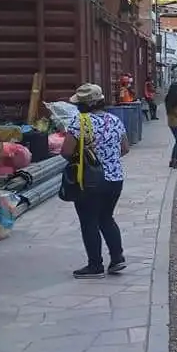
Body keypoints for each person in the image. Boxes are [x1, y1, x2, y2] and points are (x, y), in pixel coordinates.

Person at [61, 83, 129, 279]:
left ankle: (95, 265)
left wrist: (85, 159)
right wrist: (108, 159)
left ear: (86, 104)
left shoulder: (79, 122)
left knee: (89, 221)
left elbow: (65, 151)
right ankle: (117, 258)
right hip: (115, 179)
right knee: (106, 218)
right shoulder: (115, 120)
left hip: (89, 180)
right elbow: (125, 148)